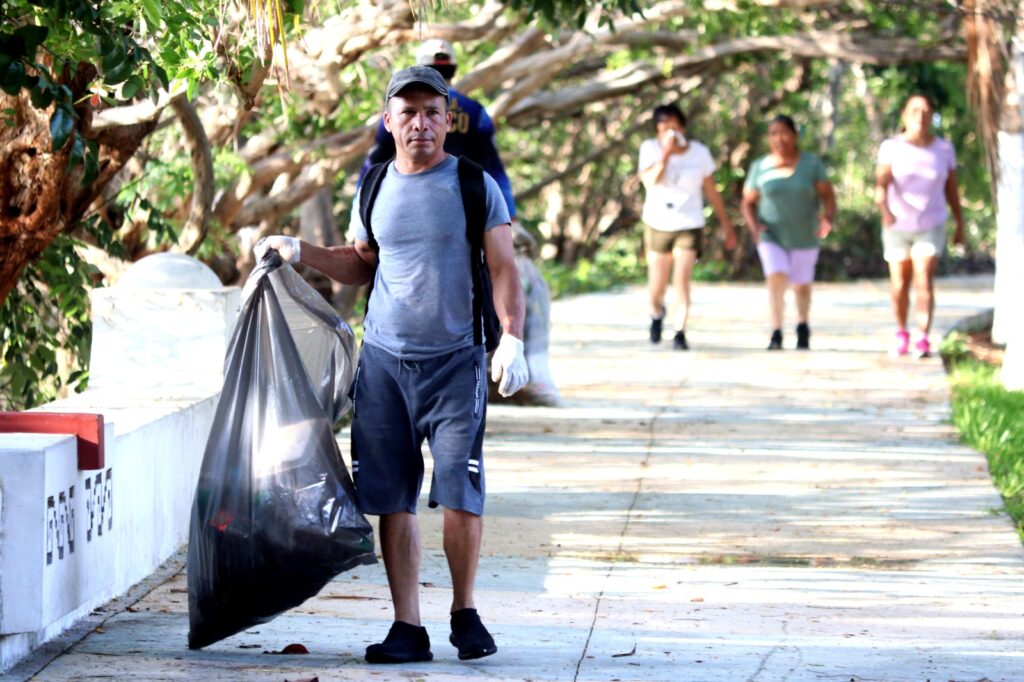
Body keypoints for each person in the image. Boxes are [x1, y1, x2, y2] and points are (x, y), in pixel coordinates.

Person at [255, 65, 527, 664]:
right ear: (389, 121)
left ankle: (465, 613)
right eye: (408, 112)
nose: (420, 123)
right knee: (392, 499)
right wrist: (300, 251)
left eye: (432, 112)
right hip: (382, 365)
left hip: (456, 363)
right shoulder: (374, 184)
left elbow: (504, 267)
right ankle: (408, 627)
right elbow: (361, 262)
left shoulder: (475, 185)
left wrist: (511, 337)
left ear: (447, 120)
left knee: (460, 490)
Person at [359, 38, 517, 219]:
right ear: (454, 68)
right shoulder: (476, 111)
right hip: (468, 208)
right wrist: (510, 215)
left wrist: (358, 208)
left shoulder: (399, 112)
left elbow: (375, 160)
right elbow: (493, 166)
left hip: (410, 205)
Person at [638, 104, 736, 350]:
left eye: (673, 126)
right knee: (657, 286)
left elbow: (711, 190)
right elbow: (650, 181)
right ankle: (657, 312)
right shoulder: (649, 149)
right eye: (663, 127)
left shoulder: (699, 153)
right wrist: (666, 153)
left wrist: (726, 224)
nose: (669, 132)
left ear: (682, 127)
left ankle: (679, 331)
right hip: (658, 223)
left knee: (681, 279)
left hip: (689, 223)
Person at [875, 93, 965, 358]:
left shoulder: (944, 149)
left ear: (932, 116)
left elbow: (951, 190)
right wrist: (885, 211)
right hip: (897, 224)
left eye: (926, 111)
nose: (920, 116)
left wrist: (960, 223)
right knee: (899, 283)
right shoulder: (891, 147)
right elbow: (881, 185)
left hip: (931, 223)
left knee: (924, 277)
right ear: (904, 115)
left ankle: (923, 336)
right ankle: (901, 332)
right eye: (914, 111)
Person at [741, 114, 836, 351]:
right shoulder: (760, 166)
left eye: (784, 132)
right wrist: (754, 227)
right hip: (770, 234)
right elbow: (748, 202)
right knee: (776, 276)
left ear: (794, 135)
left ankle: (802, 325)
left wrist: (827, 218)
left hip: (805, 234)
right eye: (773, 133)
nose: (779, 138)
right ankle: (776, 331)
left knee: (801, 285)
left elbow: (828, 195)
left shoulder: (811, 165)